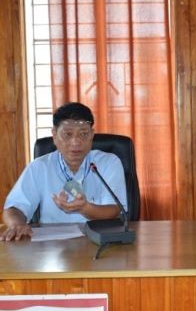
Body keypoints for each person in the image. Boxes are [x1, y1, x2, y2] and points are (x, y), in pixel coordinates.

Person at [2, 102, 127, 241]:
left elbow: (114, 209)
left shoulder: (108, 162)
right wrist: (16, 224)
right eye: (67, 134)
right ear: (54, 135)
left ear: (92, 134)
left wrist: (84, 208)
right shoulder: (39, 167)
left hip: (98, 243)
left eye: (83, 134)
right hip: (51, 249)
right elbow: (14, 207)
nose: (75, 142)